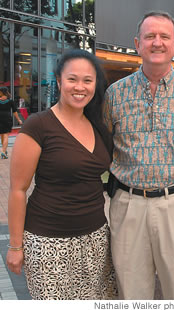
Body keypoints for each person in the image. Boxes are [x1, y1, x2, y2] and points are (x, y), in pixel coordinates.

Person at [103, 11, 174, 300]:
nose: (157, 42)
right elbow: (103, 145)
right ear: (137, 43)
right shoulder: (115, 94)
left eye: (164, 36)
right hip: (127, 205)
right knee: (131, 290)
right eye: (149, 36)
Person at [6, 49, 117, 300]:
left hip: (95, 240)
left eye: (88, 80)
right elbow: (17, 190)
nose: (80, 87)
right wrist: (15, 245)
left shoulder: (99, 126)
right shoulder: (38, 125)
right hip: (48, 242)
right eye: (72, 79)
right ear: (58, 81)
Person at [0, 87, 23, 159]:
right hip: (7, 118)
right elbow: (15, 111)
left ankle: (4, 150)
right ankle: (3, 151)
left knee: (2, 134)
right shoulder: (10, 101)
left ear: (2, 92)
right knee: (6, 135)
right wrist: (19, 120)